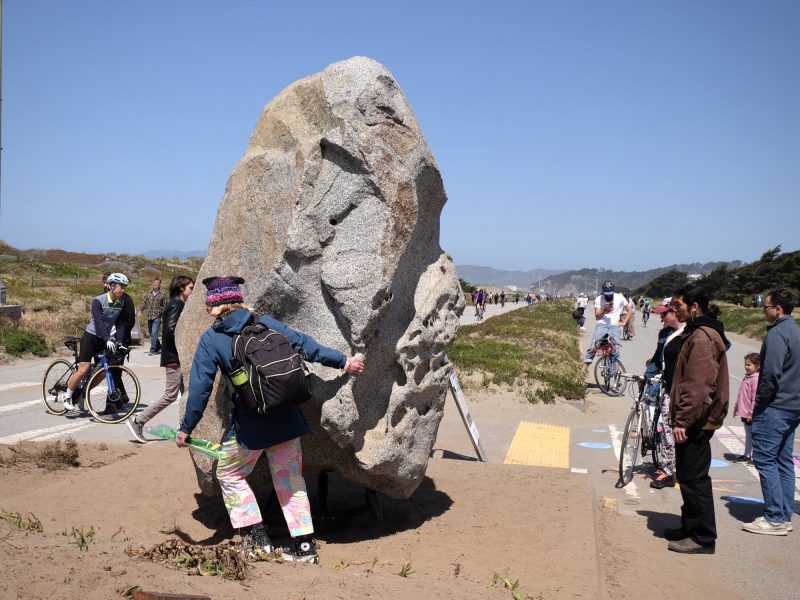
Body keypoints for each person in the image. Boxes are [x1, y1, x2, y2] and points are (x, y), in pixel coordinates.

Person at [176, 276, 365, 563]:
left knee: (229, 474)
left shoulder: (213, 338)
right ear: (238, 299)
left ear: (214, 306)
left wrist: (186, 428)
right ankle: (304, 547)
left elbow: (200, 389)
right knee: (290, 480)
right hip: (287, 420)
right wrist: (344, 362)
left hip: (250, 428)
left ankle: (255, 537)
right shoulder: (265, 323)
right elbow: (305, 345)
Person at [664, 287, 729, 554]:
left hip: (696, 421)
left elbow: (699, 386)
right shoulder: (697, 331)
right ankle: (690, 526)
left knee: (694, 479)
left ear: (694, 306)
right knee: (688, 476)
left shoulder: (702, 337)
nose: (673, 309)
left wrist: (683, 420)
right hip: (694, 419)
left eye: (678, 305)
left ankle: (703, 537)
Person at [742, 288, 800, 536]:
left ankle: (775, 517)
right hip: (793, 406)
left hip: (775, 406)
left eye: (765, 306)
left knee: (765, 460)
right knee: (783, 461)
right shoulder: (796, 331)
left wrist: (759, 404)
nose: (763, 310)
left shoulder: (777, 333)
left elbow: (771, 374)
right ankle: (784, 514)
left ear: (778, 308)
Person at [126, 276, 195, 443]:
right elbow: (172, 330)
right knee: (170, 395)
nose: (193, 291)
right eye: (191, 288)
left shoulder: (178, 304)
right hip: (174, 357)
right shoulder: (176, 305)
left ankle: (185, 429)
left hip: (177, 356)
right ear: (181, 289)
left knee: (187, 393)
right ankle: (138, 421)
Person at [60, 273, 130, 412]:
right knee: (84, 369)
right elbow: (98, 323)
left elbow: (121, 324)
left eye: (124, 287)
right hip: (91, 337)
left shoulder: (121, 303)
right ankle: (67, 395)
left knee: (103, 372)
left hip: (104, 339)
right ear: (112, 286)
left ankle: (83, 392)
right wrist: (107, 339)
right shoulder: (98, 301)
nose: (123, 290)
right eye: (121, 286)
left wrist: (120, 341)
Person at [646, 298, 682, 489]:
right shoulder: (665, 333)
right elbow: (657, 356)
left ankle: (671, 470)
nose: (662, 318)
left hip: (682, 389)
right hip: (667, 385)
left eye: (664, 314)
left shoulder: (688, 334)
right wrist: (647, 375)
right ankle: (668, 468)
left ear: (675, 311)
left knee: (675, 429)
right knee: (667, 429)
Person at [581, 280, 630, 375]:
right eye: (606, 294)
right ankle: (583, 370)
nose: (608, 296)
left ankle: (616, 375)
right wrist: (604, 310)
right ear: (603, 292)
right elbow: (597, 316)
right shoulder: (599, 299)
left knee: (615, 350)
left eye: (610, 294)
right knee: (593, 347)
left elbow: (629, 310)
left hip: (615, 326)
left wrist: (624, 322)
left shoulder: (619, 298)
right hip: (602, 324)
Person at [732, 353, 760, 464]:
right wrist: (736, 407)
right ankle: (747, 454)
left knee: (754, 435)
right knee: (748, 435)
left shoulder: (755, 379)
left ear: (757, 366)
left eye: (749, 365)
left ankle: (755, 457)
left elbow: (754, 398)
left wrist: (751, 413)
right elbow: (741, 395)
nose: (746, 367)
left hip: (750, 413)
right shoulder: (746, 377)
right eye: (745, 364)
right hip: (744, 412)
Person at [142, 278, 165, 355]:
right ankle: (158, 346)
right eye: (154, 282)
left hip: (157, 317)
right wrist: (140, 310)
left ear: (159, 284)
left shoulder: (162, 294)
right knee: (151, 333)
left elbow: (165, 306)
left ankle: (153, 350)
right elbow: (145, 303)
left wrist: (162, 315)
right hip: (149, 316)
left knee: (154, 333)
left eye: (157, 283)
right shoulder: (149, 293)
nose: (155, 284)